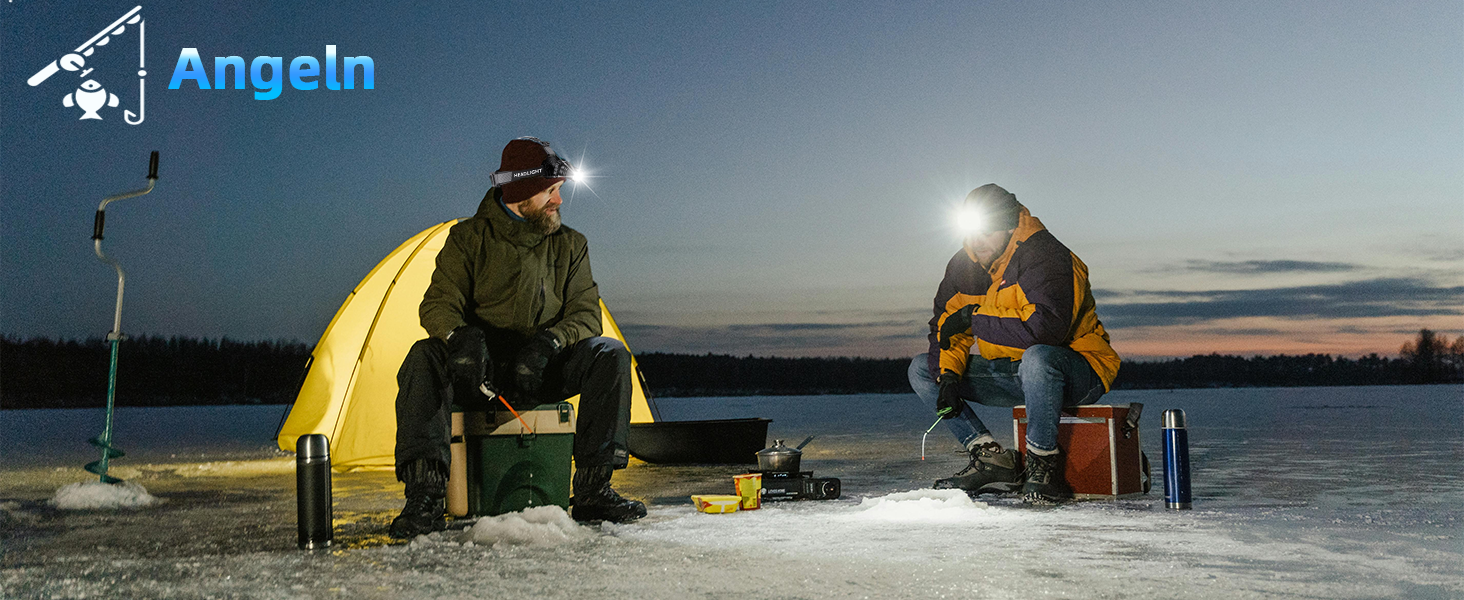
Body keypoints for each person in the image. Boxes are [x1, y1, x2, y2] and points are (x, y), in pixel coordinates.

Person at [389, 137, 646, 538]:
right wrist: (460, 338)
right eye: (550, 191)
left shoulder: (571, 245)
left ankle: (594, 489)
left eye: (559, 189)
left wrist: (551, 343)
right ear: (521, 193)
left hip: (542, 367)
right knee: (424, 356)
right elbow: (437, 304)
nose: (559, 200)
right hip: (481, 374)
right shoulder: (467, 239)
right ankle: (425, 496)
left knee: (609, 354)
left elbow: (586, 314)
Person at [908, 184, 1120, 503]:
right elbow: (946, 326)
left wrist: (974, 318)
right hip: (1015, 373)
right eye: (972, 232)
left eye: (987, 231)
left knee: (1037, 358)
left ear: (1009, 226)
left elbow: (1045, 331)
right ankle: (991, 458)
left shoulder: (1045, 255)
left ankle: (1042, 466)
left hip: (1077, 371)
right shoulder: (963, 267)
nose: (978, 241)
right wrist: (948, 377)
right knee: (922, 370)